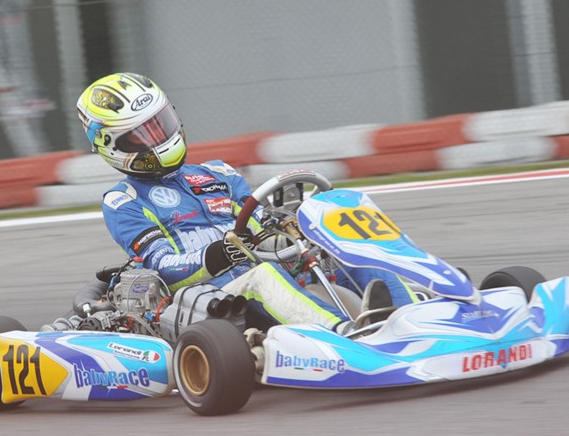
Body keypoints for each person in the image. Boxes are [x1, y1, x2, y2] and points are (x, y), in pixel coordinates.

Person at [76, 72, 418, 332]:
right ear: (112, 145)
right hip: (213, 298)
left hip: (264, 268)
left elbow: (260, 225)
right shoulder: (124, 201)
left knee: (346, 251)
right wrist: (218, 255)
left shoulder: (218, 173)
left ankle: (416, 317)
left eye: (161, 125)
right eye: (142, 135)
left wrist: (294, 231)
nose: (160, 138)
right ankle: (347, 334)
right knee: (263, 276)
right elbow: (163, 266)